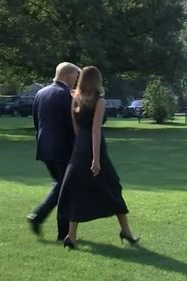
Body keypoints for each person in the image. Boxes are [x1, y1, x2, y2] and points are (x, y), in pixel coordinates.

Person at [57, 66, 139, 249]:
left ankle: (71, 236)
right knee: (112, 187)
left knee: (77, 190)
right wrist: (96, 159)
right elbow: (96, 129)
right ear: (96, 81)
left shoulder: (75, 99)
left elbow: (76, 127)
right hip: (94, 149)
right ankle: (125, 231)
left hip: (79, 148)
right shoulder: (99, 101)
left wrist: (82, 146)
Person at [26, 62, 81, 241]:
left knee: (63, 186)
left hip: (44, 147)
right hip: (63, 148)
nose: (77, 81)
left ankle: (62, 233)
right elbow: (72, 124)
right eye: (75, 77)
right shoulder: (66, 95)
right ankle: (38, 216)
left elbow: (36, 122)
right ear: (67, 75)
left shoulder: (40, 93)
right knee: (65, 187)